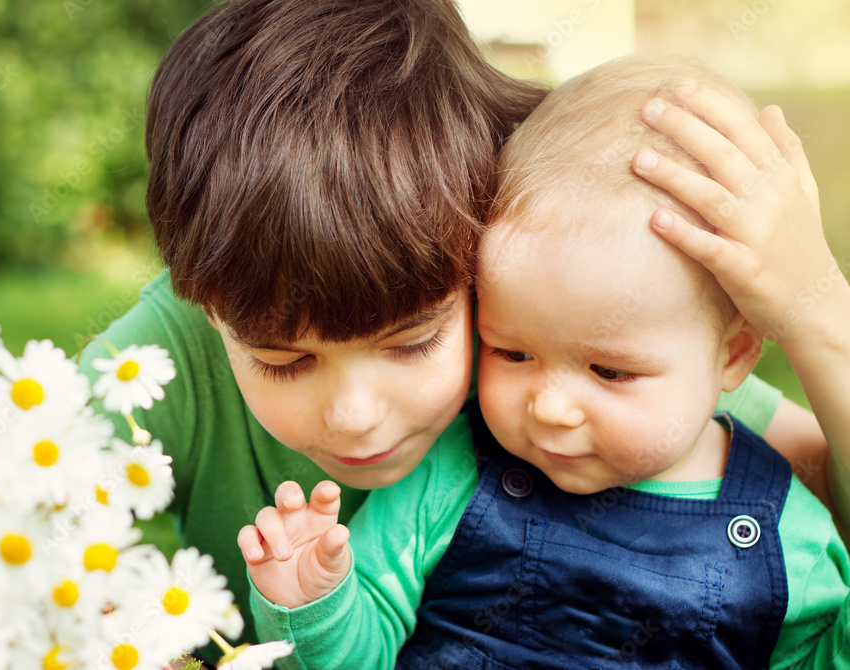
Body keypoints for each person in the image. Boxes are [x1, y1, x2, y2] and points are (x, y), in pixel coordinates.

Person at [78, 0, 832, 658]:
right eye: (281, 359)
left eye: (411, 342)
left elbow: (826, 482)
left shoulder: (555, 333)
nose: (356, 416)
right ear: (207, 306)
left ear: (481, 247)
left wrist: (817, 310)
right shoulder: (163, 353)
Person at [242, 55, 850, 668]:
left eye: (610, 372)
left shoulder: (789, 540)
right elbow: (365, 650)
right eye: (512, 352)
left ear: (735, 354)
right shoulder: (450, 477)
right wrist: (316, 605)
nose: (551, 407)